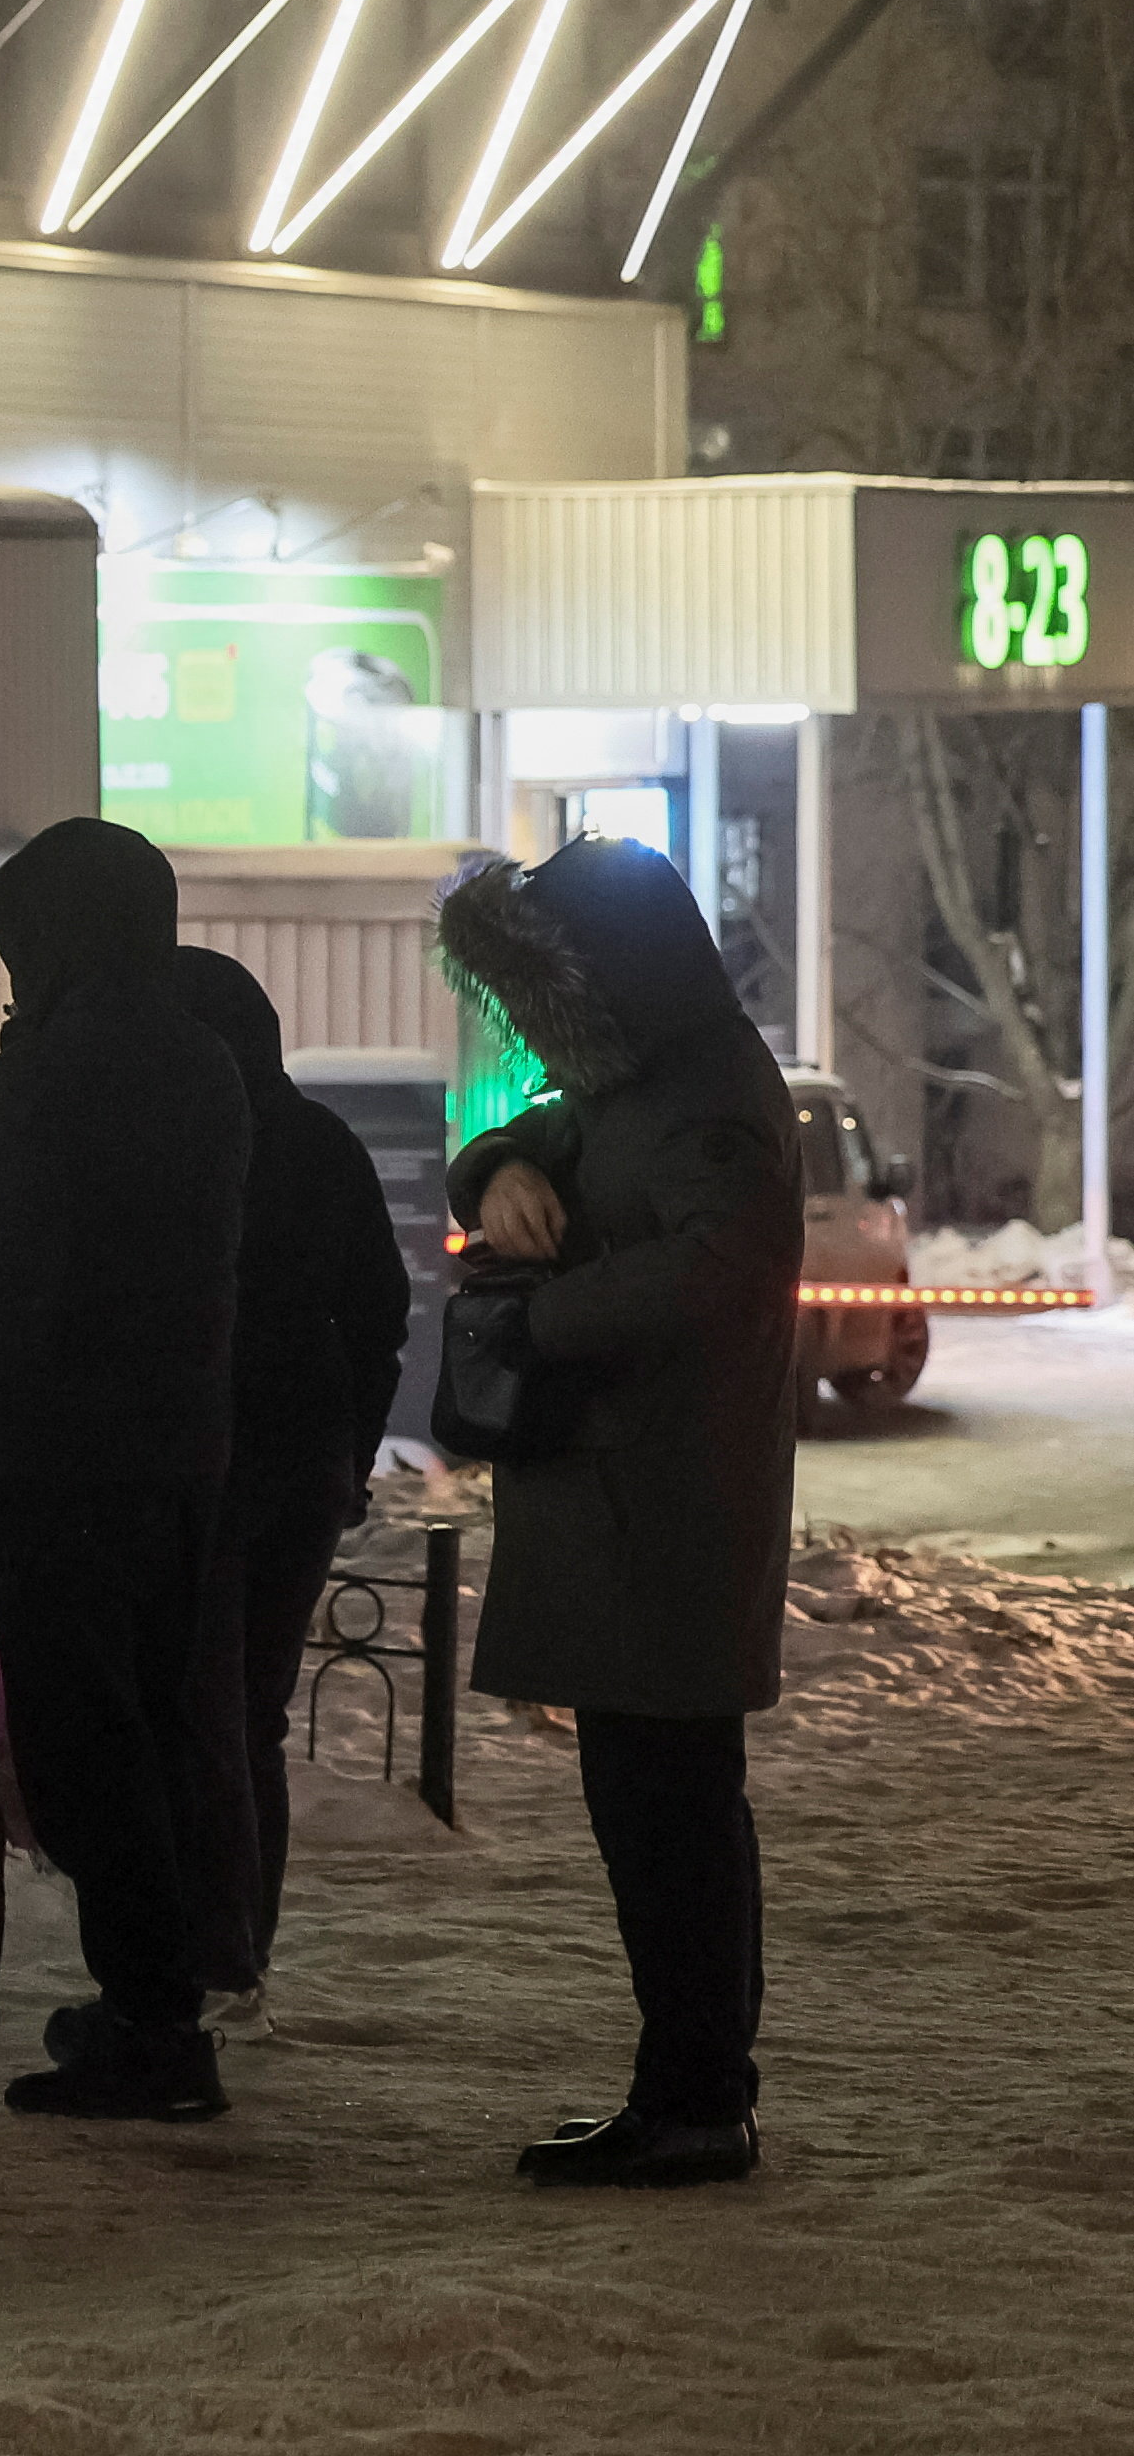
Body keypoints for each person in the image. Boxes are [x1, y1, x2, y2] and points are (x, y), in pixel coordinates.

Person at [438, 835, 805, 2188]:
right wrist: (495, 1177)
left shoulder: (706, 1091)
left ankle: (698, 2097)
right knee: (650, 1802)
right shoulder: (629, 1078)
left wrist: (542, 1319)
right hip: (623, 1493)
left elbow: (728, 1262)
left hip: (668, 1501)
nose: (539, 1026)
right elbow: (524, 1136)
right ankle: (688, 2087)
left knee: (670, 1809)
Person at [0, 816, 255, 2124]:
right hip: (181, 1449)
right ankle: (158, 1997)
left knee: (82, 1735)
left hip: (66, 1454)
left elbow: (8, 1271)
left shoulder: (46, 1082)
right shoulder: (204, 1067)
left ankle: (149, 2022)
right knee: (159, 1725)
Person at [171, 945, 414, 1984]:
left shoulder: (185, 1145)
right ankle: (240, 1953)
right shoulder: (322, 1140)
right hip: (306, 1460)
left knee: (201, 1712)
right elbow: (380, 1312)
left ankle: (211, 1953)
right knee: (251, 1717)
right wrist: (347, 1455)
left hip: (215, 1459)